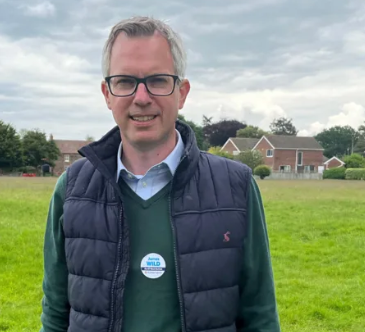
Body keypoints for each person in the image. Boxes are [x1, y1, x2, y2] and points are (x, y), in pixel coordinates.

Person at [40, 16, 281, 332]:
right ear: (107, 93)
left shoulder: (236, 187)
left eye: (157, 80)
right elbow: (56, 314)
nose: (141, 98)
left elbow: (260, 315)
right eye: (125, 81)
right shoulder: (71, 189)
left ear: (181, 92)